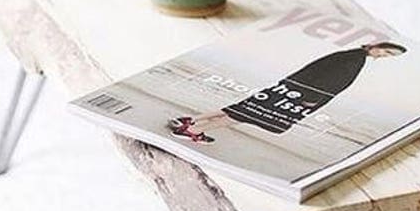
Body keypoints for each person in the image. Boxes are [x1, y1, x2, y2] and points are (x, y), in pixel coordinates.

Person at [168, 41, 406, 143]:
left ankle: (192, 121)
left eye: (388, 57)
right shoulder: (354, 58)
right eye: (386, 53)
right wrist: (310, 99)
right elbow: (327, 81)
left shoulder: (353, 55)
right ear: (377, 46)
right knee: (246, 114)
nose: (384, 57)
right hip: (302, 94)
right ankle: (192, 130)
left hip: (295, 88)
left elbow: (316, 71)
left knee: (244, 109)